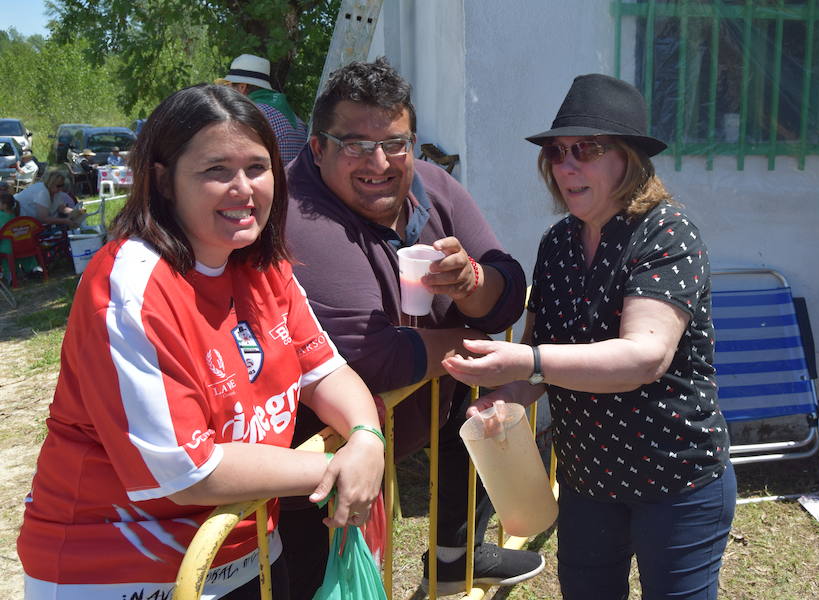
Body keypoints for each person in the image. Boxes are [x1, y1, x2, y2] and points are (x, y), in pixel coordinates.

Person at [16, 83, 385, 600]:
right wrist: (336, 467)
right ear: (164, 181)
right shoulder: (129, 285)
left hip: (246, 548)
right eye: (216, 170)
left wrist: (366, 438)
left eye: (257, 168)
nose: (244, 188)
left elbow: (325, 370)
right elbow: (186, 469)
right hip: (116, 571)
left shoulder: (264, 267)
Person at [442, 74, 736, 600]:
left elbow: (645, 356)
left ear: (629, 158)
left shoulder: (666, 230)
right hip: (589, 479)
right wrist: (503, 397)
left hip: (675, 479)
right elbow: (540, 358)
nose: (566, 165)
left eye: (587, 149)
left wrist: (525, 364)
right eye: (557, 152)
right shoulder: (557, 243)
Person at [281, 57, 542, 598]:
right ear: (318, 148)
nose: (379, 162)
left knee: (481, 400)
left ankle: (455, 557)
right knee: (312, 575)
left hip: (399, 417)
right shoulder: (299, 213)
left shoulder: (430, 183)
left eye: (395, 143)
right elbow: (371, 357)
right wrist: (473, 344)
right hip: (310, 454)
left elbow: (508, 287)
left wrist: (473, 283)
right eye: (355, 143)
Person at [223, 54, 308, 165]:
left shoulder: (251, 115)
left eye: (229, 85)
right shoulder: (292, 116)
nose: (227, 91)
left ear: (242, 87)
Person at [14, 169, 83, 229]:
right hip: (16, 220)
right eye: (59, 186)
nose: (61, 188)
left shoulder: (55, 192)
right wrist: (64, 221)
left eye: (62, 185)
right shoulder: (42, 191)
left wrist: (75, 211)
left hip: (28, 222)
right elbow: (43, 219)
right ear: (50, 183)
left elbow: (61, 208)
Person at [0, 191, 40, 280]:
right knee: (26, 255)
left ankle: (10, 274)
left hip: (7, 249)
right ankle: (32, 268)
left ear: (4, 205)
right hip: (24, 245)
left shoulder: (1, 216)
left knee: (6, 252)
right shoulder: (16, 216)